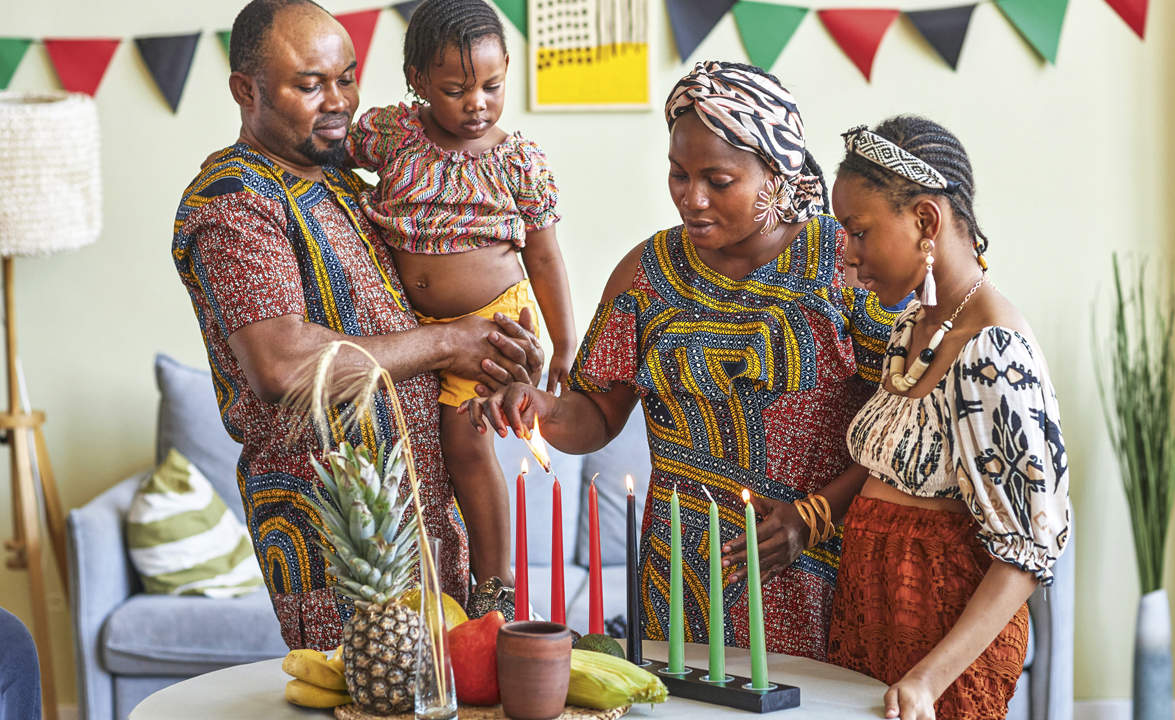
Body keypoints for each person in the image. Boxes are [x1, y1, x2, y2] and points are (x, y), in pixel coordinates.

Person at [466, 61, 896, 660]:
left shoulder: (845, 265)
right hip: (679, 577)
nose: (691, 199)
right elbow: (596, 412)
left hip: (813, 565)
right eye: (678, 174)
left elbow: (900, 425)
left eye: (718, 180)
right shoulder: (646, 272)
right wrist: (538, 408)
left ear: (775, 173)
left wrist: (813, 517)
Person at [171, 0, 542, 650]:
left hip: (427, 526)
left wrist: (501, 339)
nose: (339, 100)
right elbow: (282, 365)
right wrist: (450, 342)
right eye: (311, 85)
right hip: (341, 547)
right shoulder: (235, 201)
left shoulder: (347, 178)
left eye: (347, 77)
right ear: (245, 90)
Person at [822, 116, 1072, 719]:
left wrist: (929, 678)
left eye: (859, 232)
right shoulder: (915, 326)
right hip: (870, 614)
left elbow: (1029, 550)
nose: (847, 256)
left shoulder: (993, 349)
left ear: (926, 222)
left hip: (938, 643)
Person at [345, 0, 575, 592]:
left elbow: (545, 257)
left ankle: (495, 582)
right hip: (413, 325)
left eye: (493, 86)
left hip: (493, 324)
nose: (477, 103)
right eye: (455, 89)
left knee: (465, 444)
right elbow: (328, 153)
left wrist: (566, 343)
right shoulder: (393, 133)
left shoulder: (517, 160)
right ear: (418, 81)